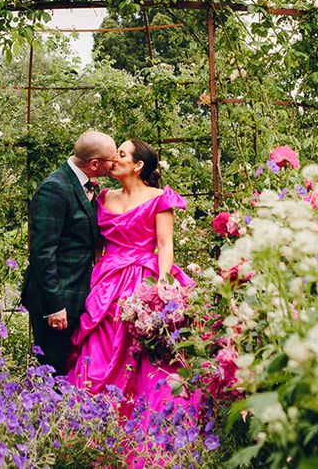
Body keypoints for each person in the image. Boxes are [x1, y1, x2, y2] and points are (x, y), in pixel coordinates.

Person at [67, 138, 195, 427]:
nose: (114, 159)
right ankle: (92, 426)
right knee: (97, 351)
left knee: (147, 354)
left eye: (121, 154)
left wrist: (162, 285)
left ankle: (147, 425)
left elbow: (165, 244)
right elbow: (96, 245)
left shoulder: (159, 197)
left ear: (138, 165)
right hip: (106, 282)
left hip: (142, 277)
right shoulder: (102, 197)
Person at [21, 130, 118, 374]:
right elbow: (43, 252)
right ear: (94, 164)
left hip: (78, 295)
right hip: (56, 301)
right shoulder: (54, 188)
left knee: (70, 370)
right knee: (52, 371)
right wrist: (54, 306)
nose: (116, 162)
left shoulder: (84, 184)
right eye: (112, 159)